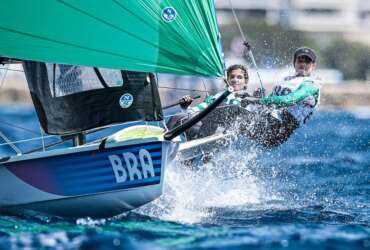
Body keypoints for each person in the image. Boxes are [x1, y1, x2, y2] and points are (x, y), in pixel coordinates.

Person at [248, 47, 321, 147]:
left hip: (281, 129)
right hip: (271, 119)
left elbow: (289, 100)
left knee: (247, 116)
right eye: (300, 60)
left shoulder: (311, 85)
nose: (303, 64)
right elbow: (271, 98)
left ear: (313, 66)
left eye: (307, 62)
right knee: (248, 107)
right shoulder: (286, 80)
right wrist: (259, 98)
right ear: (294, 63)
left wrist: (260, 101)